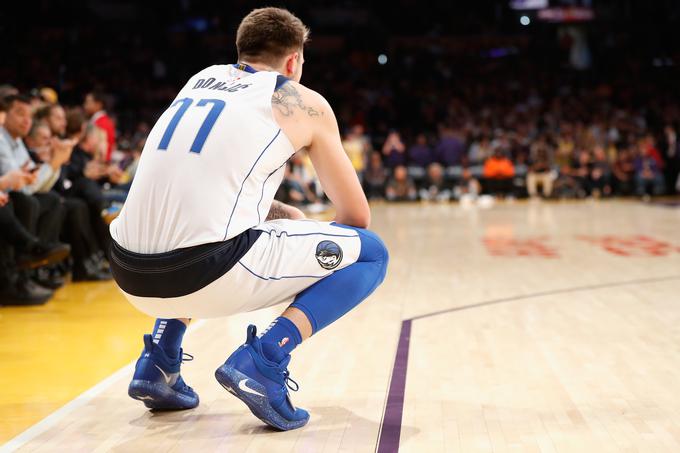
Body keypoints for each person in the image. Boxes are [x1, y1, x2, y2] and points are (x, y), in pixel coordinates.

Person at [109, 7, 388, 431]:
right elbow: (356, 216)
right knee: (371, 254)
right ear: (294, 61)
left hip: (126, 272)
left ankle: (158, 362)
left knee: (194, 231)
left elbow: (196, 188)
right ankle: (267, 358)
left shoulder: (198, 80)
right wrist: (297, 231)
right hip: (204, 272)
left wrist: (276, 219)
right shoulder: (301, 101)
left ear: (241, 50)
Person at [83, 90, 116, 162]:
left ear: (98, 104)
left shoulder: (101, 123)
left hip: (99, 164)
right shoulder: (104, 121)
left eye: (88, 103)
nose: (85, 106)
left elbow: (102, 150)